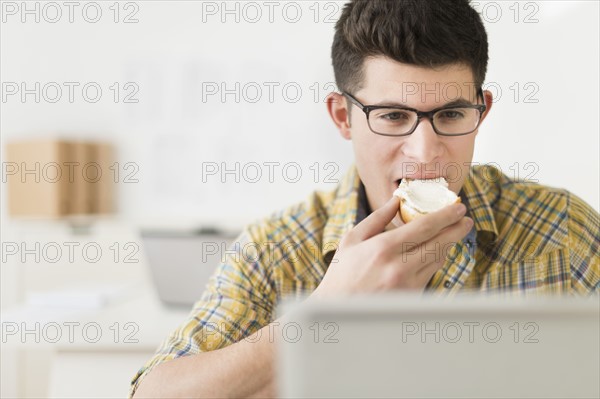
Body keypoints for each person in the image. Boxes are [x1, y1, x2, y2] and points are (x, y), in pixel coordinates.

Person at [131, 0, 599, 397]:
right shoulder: (275, 251)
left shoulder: (563, 230)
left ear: (481, 111)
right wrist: (329, 312)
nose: (425, 152)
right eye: (393, 116)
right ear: (343, 117)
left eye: (452, 114)